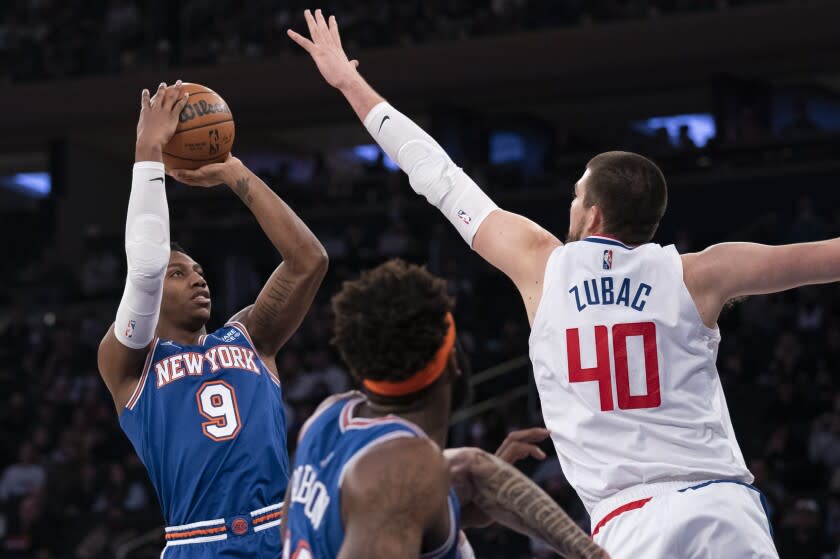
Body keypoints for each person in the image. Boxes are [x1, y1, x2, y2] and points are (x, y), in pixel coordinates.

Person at [287, 10, 821, 557]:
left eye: (574, 195)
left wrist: (349, 81)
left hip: (627, 522)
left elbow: (438, 176)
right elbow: (819, 258)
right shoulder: (700, 273)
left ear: (591, 215)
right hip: (721, 509)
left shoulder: (541, 263)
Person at [97, 81, 328, 557]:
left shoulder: (249, 335)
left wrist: (235, 173)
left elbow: (309, 260)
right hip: (196, 540)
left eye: (199, 272)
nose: (198, 279)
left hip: (280, 532)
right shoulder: (128, 365)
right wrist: (148, 150)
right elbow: (145, 269)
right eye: (179, 274)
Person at [281, 259, 607, 559]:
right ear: (452, 360)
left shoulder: (329, 416)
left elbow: (469, 471)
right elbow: (392, 497)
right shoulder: (402, 473)